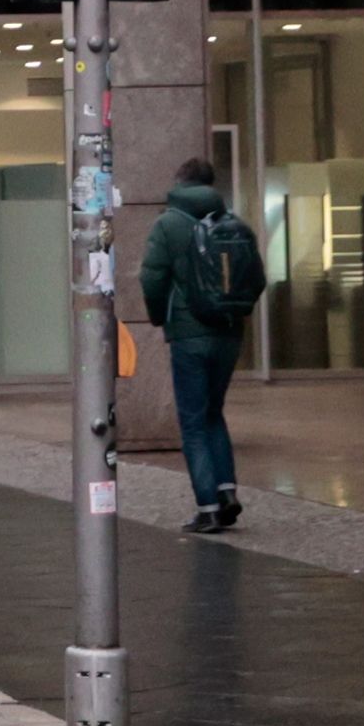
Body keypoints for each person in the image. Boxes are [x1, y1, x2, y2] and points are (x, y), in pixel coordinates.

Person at [137, 164, 262, 533]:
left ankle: (208, 507)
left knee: (193, 421)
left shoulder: (169, 223)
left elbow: (151, 277)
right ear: (210, 185)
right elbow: (256, 278)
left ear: (179, 181)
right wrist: (235, 312)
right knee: (213, 413)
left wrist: (162, 317)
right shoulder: (235, 222)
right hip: (228, 333)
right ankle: (226, 493)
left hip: (190, 336)